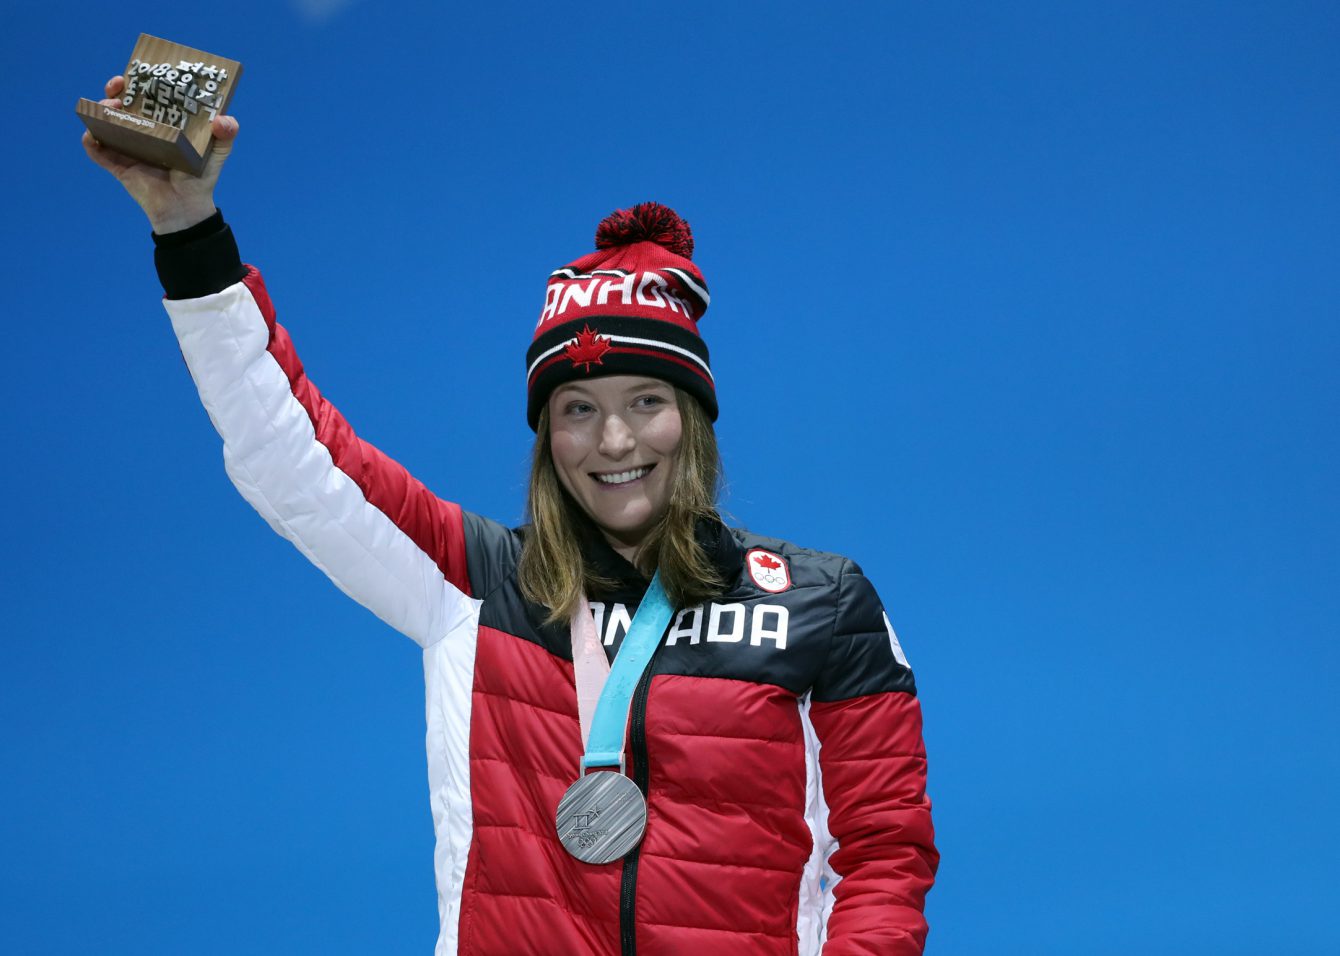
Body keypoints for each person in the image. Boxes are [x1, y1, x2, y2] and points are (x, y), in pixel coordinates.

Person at [84, 75, 939, 955]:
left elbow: (884, 858)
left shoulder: (820, 602)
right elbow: (290, 452)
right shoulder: (475, 583)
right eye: (578, 409)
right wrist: (188, 229)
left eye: (646, 401)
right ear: (546, 436)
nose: (614, 440)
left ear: (693, 418)